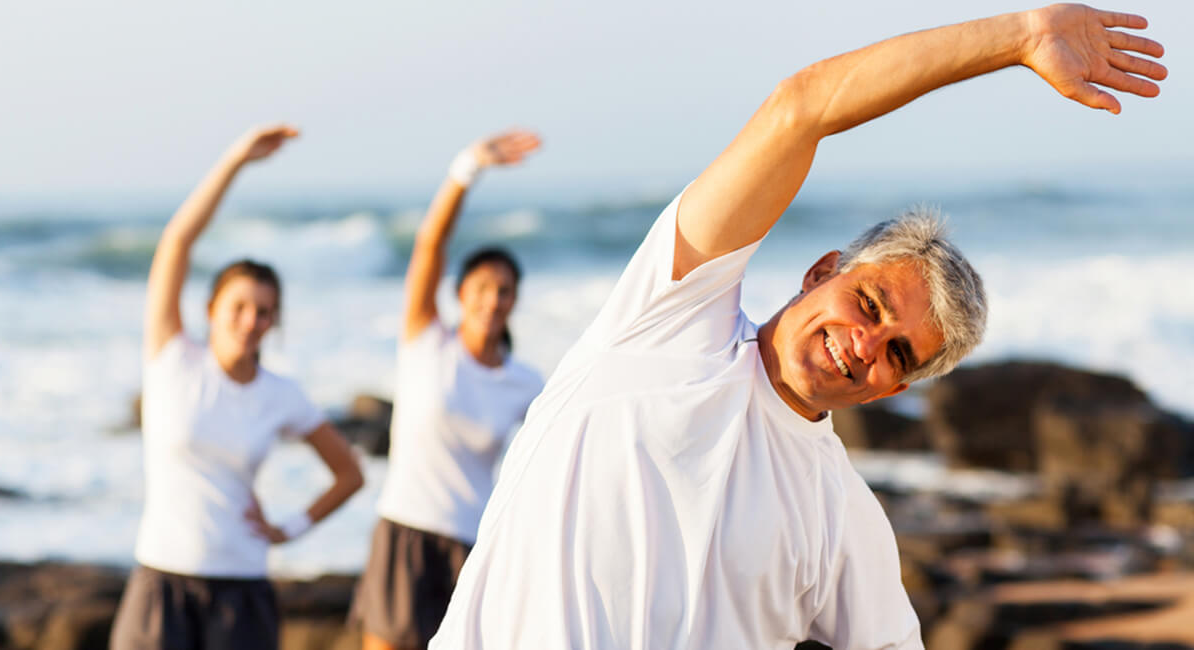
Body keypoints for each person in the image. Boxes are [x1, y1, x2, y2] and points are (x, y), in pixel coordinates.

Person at [429, 5, 1166, 649]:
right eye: (871, 304)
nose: (865, 345)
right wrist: (1018, 36)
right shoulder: (667, 318)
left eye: (897, 353)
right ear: (821, 273)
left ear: (893, 390)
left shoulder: (839, 514)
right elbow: (801, 108)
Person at [110, 125, 365, 650]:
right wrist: (235, 161)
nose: (250, 321)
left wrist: (288, 528)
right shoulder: (172, 360)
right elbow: (177, 241)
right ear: (211, 311)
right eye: (239, 307)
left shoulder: (282, 395)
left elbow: (349, 474)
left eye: (264, 312)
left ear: (275, 321)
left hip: (243, 588)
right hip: (162, 578)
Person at [352, 130, 546, 650]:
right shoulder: (425, 343)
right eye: (482, 288)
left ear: (514, 301)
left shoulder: (525, 382)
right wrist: (467, 169)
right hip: (404, 530)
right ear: (460, 294)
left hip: (472, 543)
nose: (493, 300)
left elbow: (552, 459)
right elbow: (430, 244)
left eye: (504, 291)